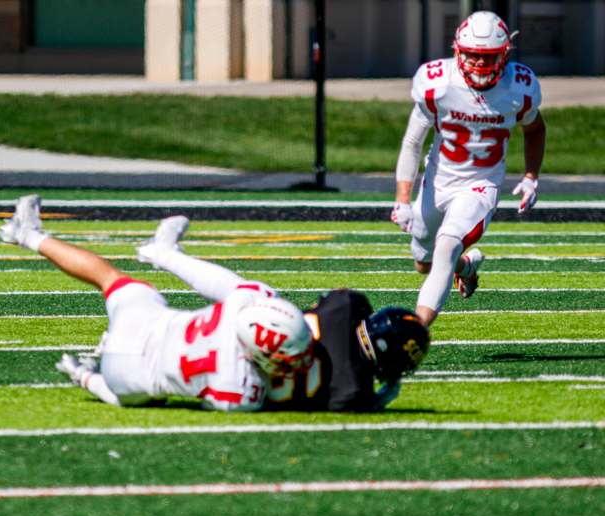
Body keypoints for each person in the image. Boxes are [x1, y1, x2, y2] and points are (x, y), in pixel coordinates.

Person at [0, 194, 313, 411]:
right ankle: (84, 374)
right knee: (144, 396)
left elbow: (224, 288)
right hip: (125, 370)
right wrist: (88, 378)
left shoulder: (247, 302)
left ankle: (27, 234)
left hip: (143, 321)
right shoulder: (241, 393)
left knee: (110, 278)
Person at [137, 216, 430, 412]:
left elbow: (341, 300)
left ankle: (162, 253)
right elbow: (354, 395)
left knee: (258, 293)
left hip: (255, 337)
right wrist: (377, 400)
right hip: (239, 380)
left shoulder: (346, 309)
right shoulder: (354, 392)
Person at [390, 10, 546, 326]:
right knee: (425, 262)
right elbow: (412, 141)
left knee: (446, 247)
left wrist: (531, 177)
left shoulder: (519, 88)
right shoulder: (437, 84)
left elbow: (535, 129)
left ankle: (415, 331)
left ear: (504, 55)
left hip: (481, 184)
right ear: (458, 51)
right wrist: (402, 199)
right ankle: (467, 267)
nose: (479, 64)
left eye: (487, 57)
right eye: (473, 55)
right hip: (438, 179)